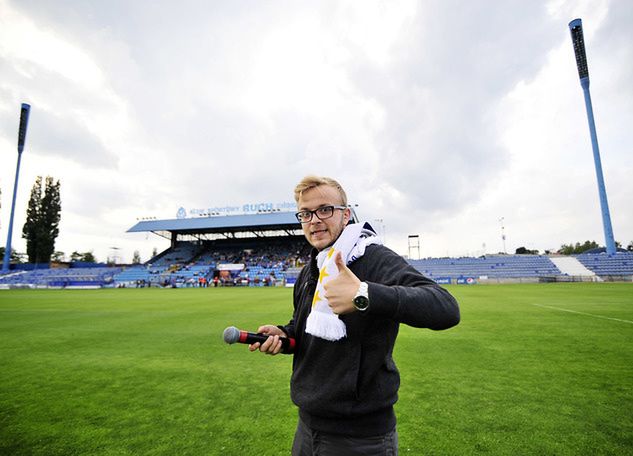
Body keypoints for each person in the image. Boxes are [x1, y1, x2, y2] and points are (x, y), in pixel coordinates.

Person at [249, 175, 460, 455]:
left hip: (360, 437)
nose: (314, 220)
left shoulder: (373, 258)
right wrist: (285, 335)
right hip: (307, 426)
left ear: (346, 215)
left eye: (325, 210)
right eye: (305, 213)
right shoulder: (312, 267)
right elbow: (305, 332)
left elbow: (445, 307)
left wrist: (364, 294)